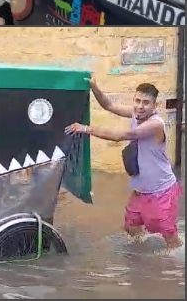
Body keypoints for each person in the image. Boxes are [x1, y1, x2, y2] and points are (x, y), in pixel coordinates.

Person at [66, 79, 182, 249]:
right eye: (137, 101)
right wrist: (94, 87)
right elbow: (109, 105)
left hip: (162, 190)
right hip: (141, 189)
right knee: (131, 227)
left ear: (154, 106)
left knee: (169, 237)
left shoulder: (155, 124)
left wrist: (86, 129)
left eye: (146, 103)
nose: (140, 106)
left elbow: (122, 135)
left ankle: (175, 265)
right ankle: (145, 258)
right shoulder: (136, 114)